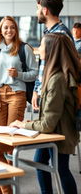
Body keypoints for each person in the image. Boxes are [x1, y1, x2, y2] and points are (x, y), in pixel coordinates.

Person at [10, 33, 80, 194]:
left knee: (61, 169)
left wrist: (23, 124)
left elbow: (47, 124)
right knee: (43, 164)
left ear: (50, 50)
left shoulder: (57, 79)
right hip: (56, 131)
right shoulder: (57, 75)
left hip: (59, 133)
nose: (39, 48)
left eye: (41, 45)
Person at [0, 16, 38, 128]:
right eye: (5, 27)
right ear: (1, 31)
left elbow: (35, 73)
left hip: (17, 94)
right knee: (1, 133)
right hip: (0, 94)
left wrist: (18, 74)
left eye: (12, 27)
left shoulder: (24, 48)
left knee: (12, 132)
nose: (9, 30)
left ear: (16, 30)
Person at [31, 0, 74, 111]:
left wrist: (41, 91)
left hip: (55, 94)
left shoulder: (60, 35)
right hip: (46, 91)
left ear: (45, 11)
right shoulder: (50, 33)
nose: (36, 12)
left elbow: (61, 69)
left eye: (38, 8)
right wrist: (36, 90)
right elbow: (43, 66)